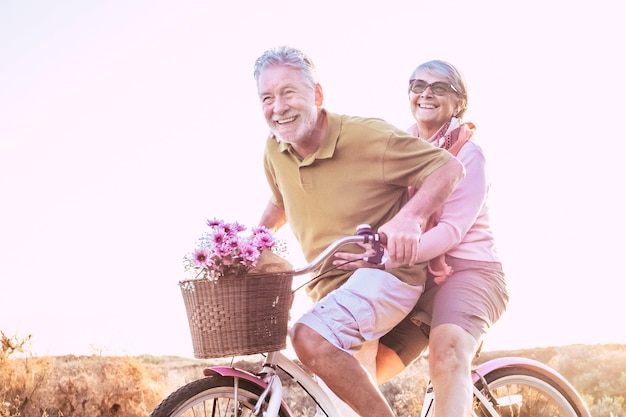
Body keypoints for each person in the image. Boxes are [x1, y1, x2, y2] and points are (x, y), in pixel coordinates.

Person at [254, 46, 465, 417]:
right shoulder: (275, 150)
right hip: (330, 292)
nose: (278, 107)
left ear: (317, 95)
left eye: (288, 92)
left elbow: (447, 169)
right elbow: (281, 201)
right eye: (267, 98)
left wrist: (410, 218)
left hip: (386, 276)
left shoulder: (367, 137)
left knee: (308, 336)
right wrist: (250, 244)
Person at [335, 60, 509, 417]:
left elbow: (449, 232)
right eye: (418, 85)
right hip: (415, 278)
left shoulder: (468, 155)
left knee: (446, 354)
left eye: (439, 87)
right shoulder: (401, 146)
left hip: (470, 273)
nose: (426, 93)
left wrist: (388, 257)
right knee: (359, 362)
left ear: (459, 102)